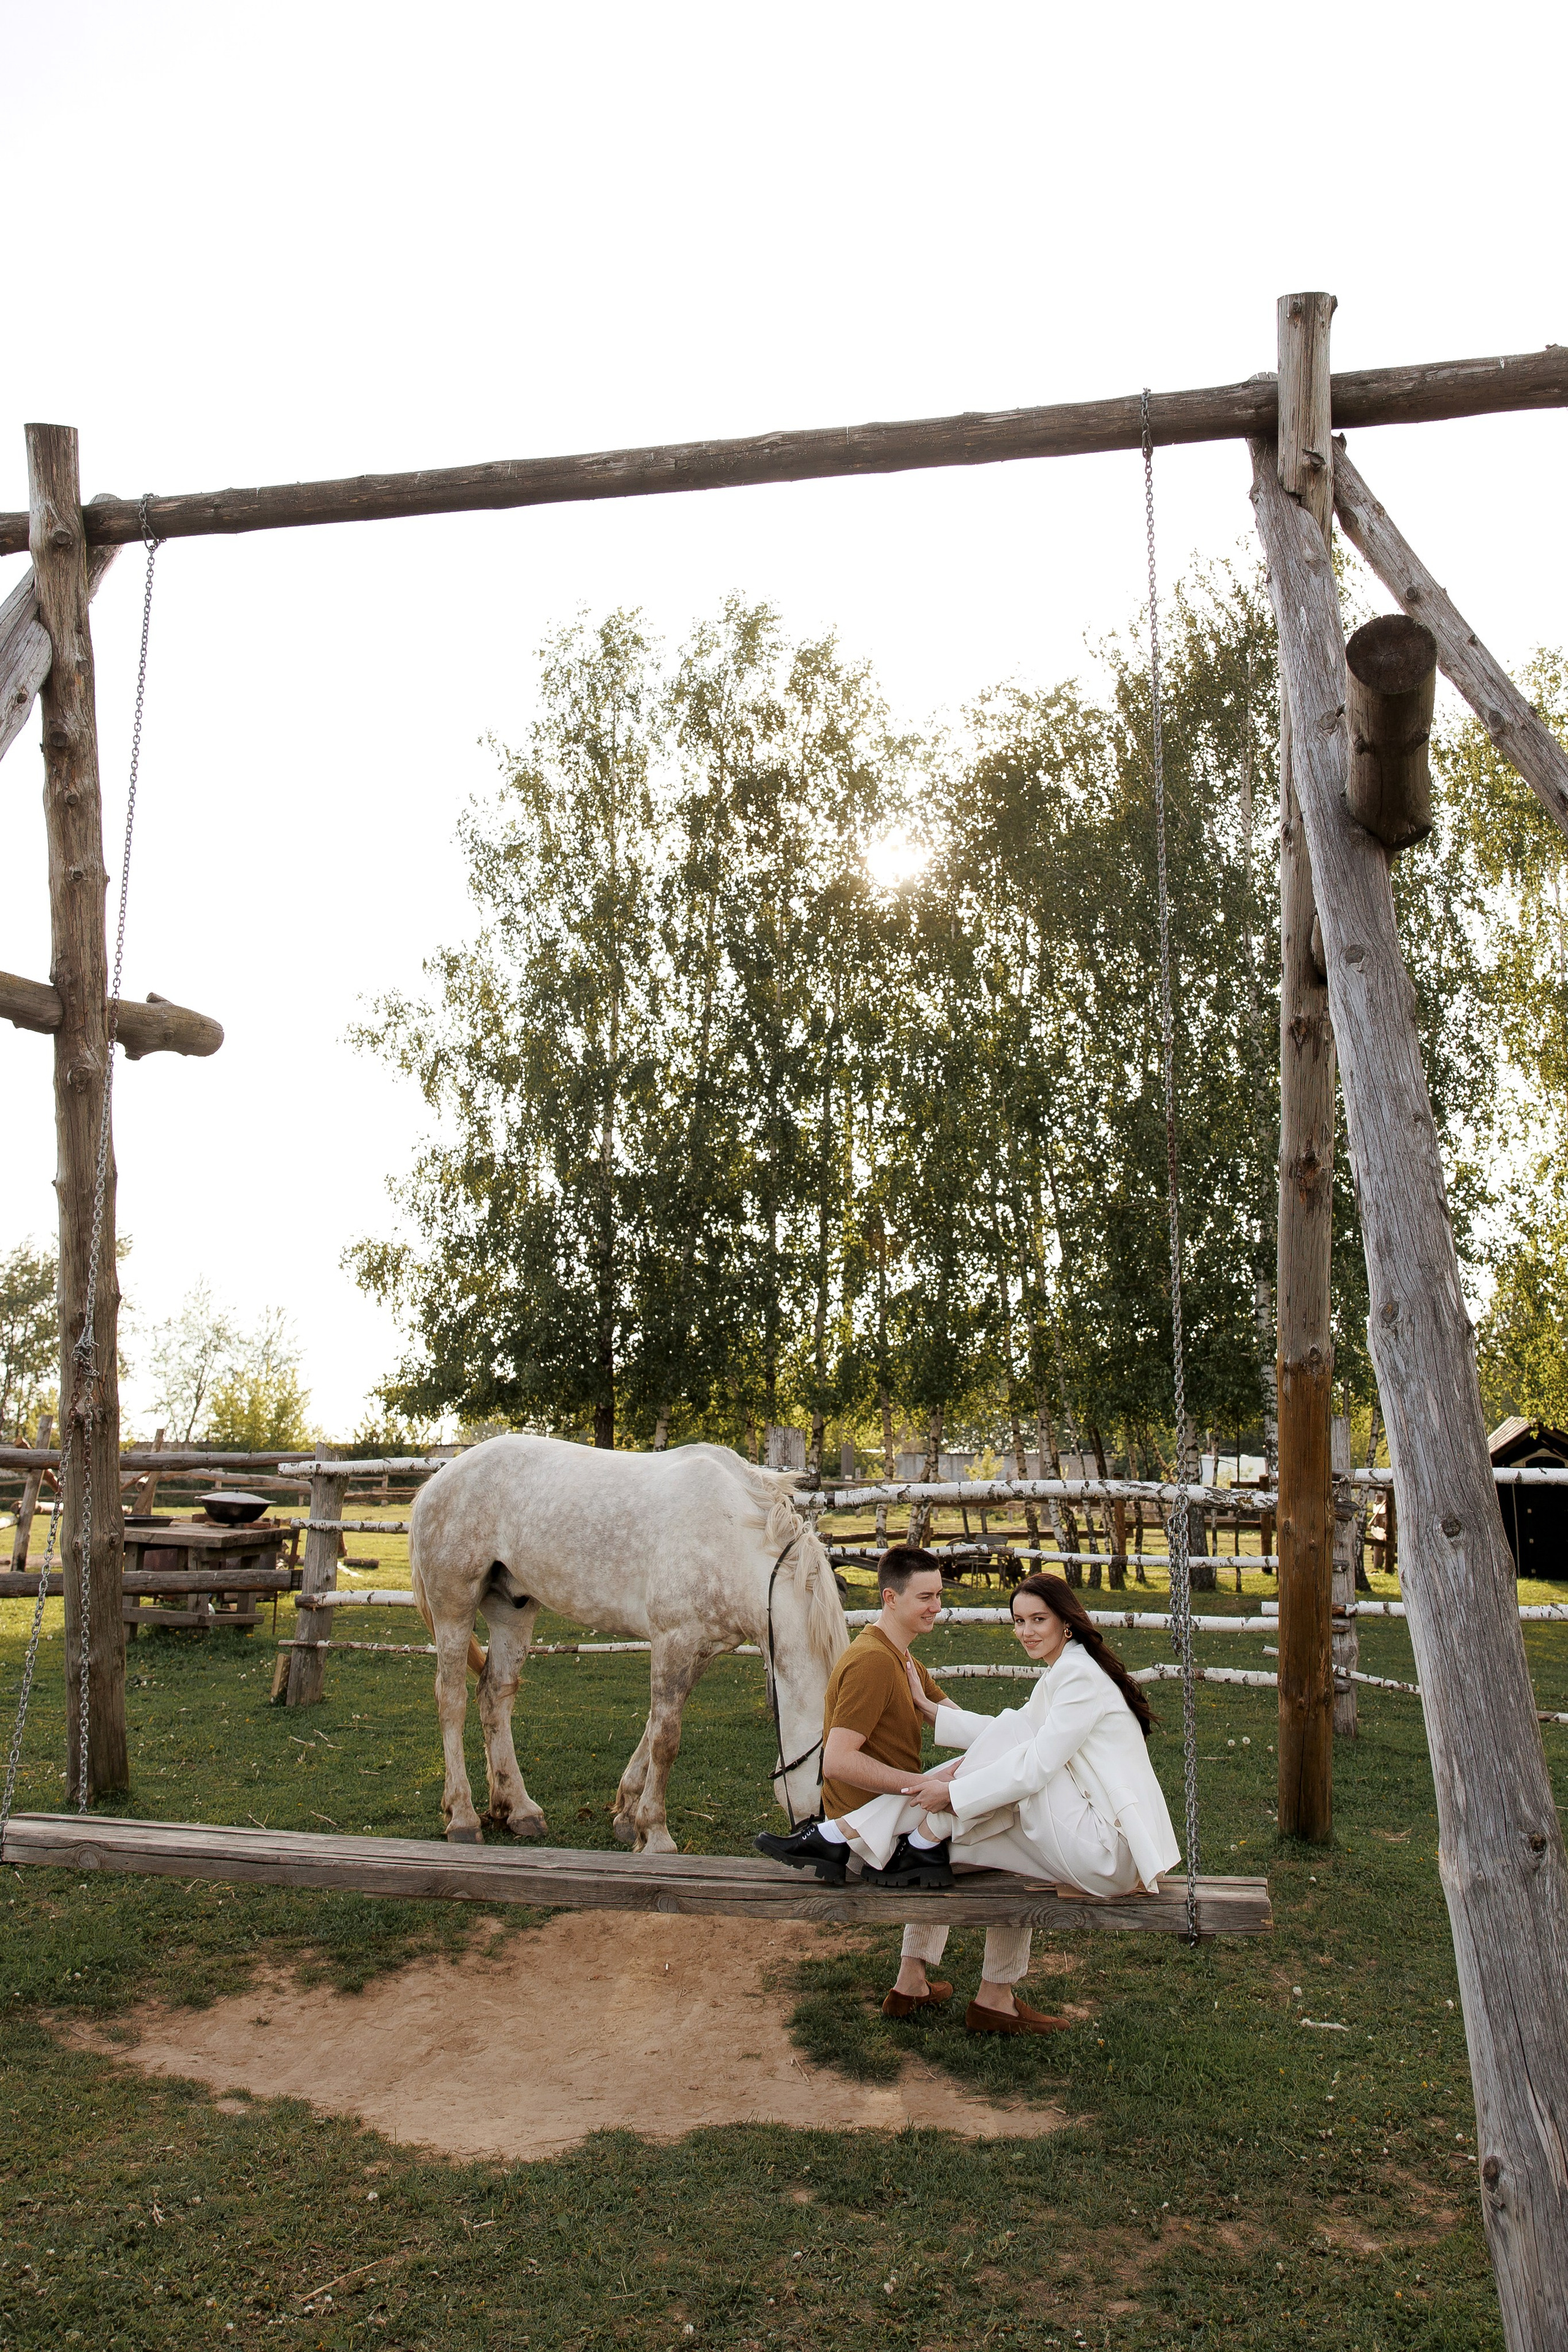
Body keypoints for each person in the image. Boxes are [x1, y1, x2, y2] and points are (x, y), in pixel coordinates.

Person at [832, 1573, 1181, 2029]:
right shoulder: (1066, 1670)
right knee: (958, 1839)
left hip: (1104, 1851)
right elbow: (1010, 1734)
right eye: (1019, 1622)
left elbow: (1033, 1764)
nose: (1027, 1632)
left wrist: (953, 1796)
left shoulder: (1078, 1676)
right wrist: (932, 1709)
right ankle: (975, 1993)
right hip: (1085, 1837)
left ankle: (862, 1836)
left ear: (1067, 1624)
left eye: (1039, 1620)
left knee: (1004, 1771)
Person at [755, 1546, 1069, 2036]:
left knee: (957, 1819)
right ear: (890, 1598)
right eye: (925, 1596)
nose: (936, 1606)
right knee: (1020, 1857)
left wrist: (1000, 1749)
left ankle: (912, 1981)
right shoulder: (872, 1664)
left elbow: (970, 1729)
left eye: (939, 1595)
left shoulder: (900, 1658)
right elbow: (837, 1761)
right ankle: (996, 1999)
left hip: (900, 1818)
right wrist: (922, 1784)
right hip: (875, 1834)